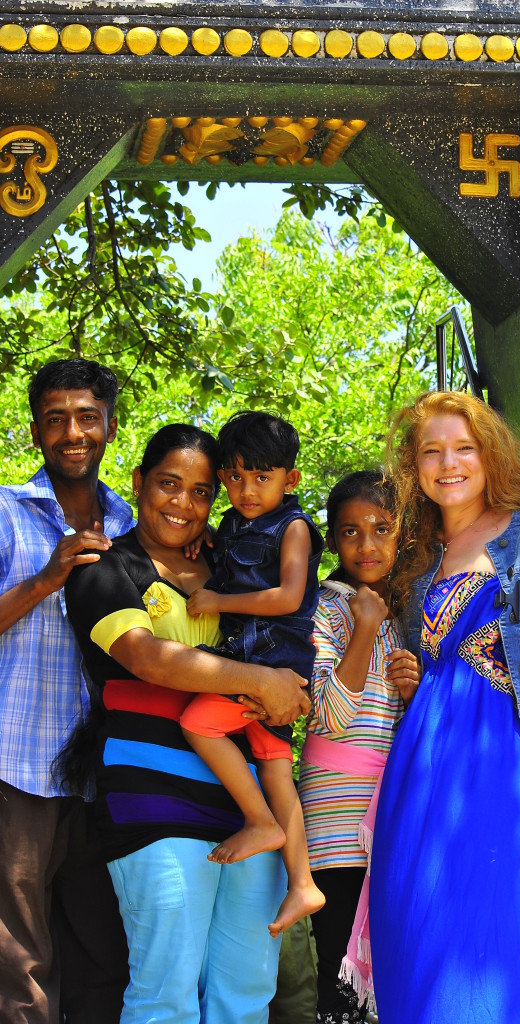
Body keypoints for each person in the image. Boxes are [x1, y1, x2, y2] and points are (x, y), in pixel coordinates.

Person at [64, 423, 311, 1024]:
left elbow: (292, 626)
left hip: (253, 809)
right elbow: (147, 658)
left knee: (246, 995)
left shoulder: (229, 569)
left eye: (202, 491)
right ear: (138, 484)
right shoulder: (105, 569)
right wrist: (257, 681)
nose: (183, 503)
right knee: (165, 996)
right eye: (169, 485)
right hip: (155, 806)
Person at [369, 390, 520, 1024]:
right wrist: (411, 674)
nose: (448, 464)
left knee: (499, 917)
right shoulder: (415, 555)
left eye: (464, 448)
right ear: (413, 466)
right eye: (432, 451)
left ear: (490, 455)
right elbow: (430, 663)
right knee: (415, 919)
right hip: (422, 759)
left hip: (502, 752)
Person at [0, 358, 132, 1024]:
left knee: (102, 957)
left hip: (104, 777)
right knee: (18, 965)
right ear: (35, 432)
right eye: (55, 420)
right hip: (15, 769)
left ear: (110, 425)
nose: (72, 432)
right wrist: (46, 579)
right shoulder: (5, 511)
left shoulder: (135, 524)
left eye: (86, 417)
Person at [181, 411, 325, 936]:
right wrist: (210, 550)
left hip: (270, 662)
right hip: (253, 659)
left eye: (262, 479)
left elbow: (289, 595)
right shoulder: (231, 524)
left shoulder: (294, 526)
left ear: (291, 480)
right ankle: (303, 883)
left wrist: (219, 596)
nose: (247, 490)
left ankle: (261, 822)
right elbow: (238, 559)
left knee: (198, 723)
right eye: (236, 477)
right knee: (274, 769)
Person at [298, 471, 419, 1024]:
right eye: (350, 532)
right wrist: (364, 630)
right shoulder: (322, 609)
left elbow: (400, 727)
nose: (367, 545)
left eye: (381, 529)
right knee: (341, 976)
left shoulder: (407, 616)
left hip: (389, 815)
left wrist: (410, 689)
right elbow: (331, 715)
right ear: (331, 542)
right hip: (335, 823)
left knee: (388, 969)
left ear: (404, 537)